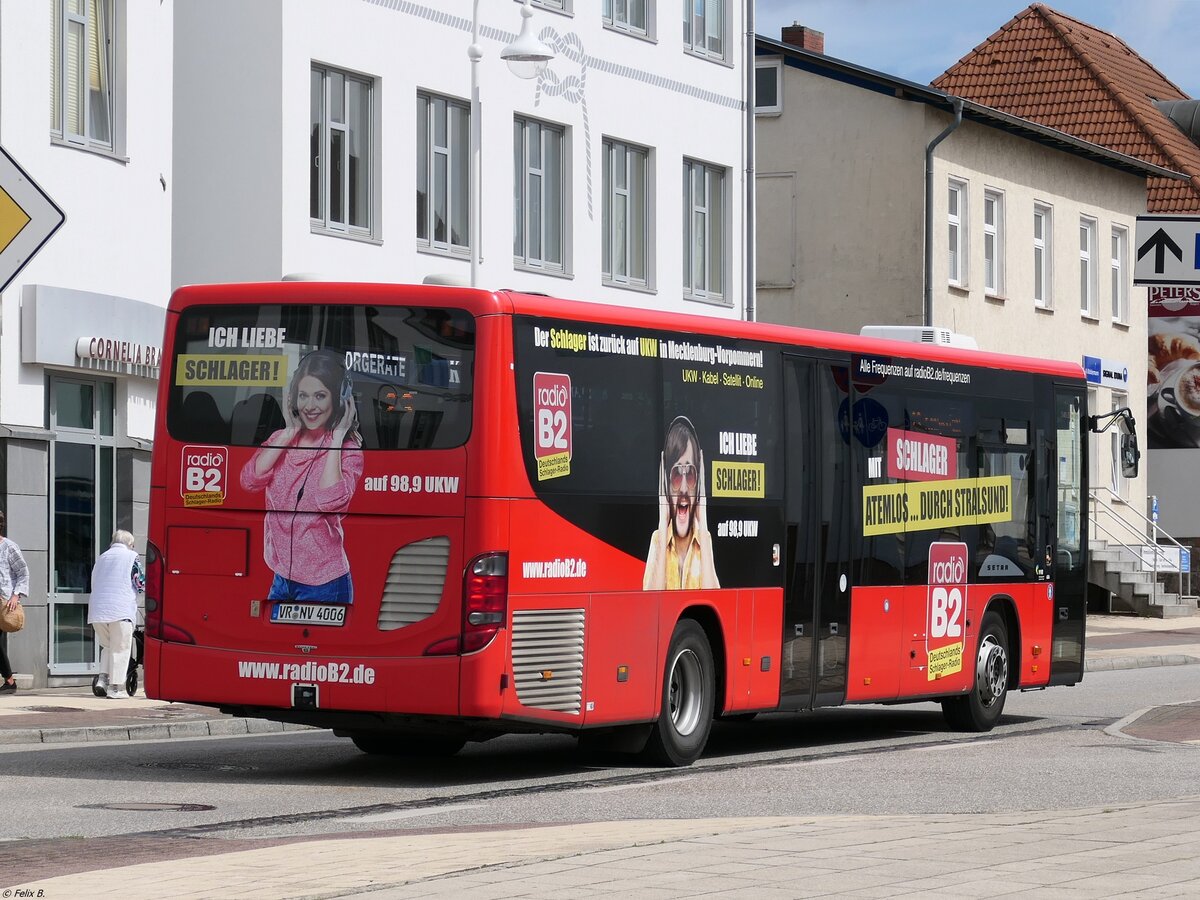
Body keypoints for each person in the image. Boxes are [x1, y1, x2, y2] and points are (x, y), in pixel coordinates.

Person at [240, 350, 363, 603]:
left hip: (326, 584)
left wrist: (338, 437)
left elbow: (330, 502)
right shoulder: (280, 441)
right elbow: (249, 480)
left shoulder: (347, 452)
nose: (310, 406)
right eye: (303, 396)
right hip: (281, 578)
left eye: (320, 396)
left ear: (338, 400)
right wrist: (289, 432)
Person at [643, 416, 720, 590]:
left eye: (691, 474)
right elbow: (652, 605)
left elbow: (714, 599)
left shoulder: (704, 540)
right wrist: (663, 521)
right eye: (676, 474)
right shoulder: (657, 539)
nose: (684, 488)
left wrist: (704, 518)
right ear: (666, 485)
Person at [88, 530, 143, 700]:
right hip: (120, 610)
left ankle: (102, 680)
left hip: (98, 610)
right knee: (121, 649)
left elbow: (94, 581)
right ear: (129, 544)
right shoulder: (131, 556)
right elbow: (140, 582)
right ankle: (116, 688)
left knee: (108, 646)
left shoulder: (102, 557)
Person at [0, 511, 29, 694]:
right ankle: (9, 680)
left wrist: (15, 595)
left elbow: (23, 573)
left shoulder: (9, 547)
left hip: (3, 601)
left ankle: (10, 681)